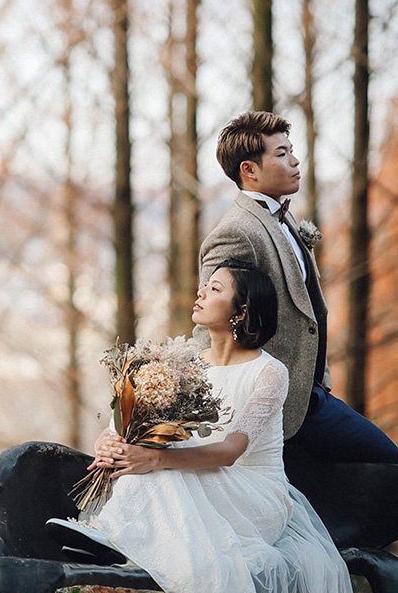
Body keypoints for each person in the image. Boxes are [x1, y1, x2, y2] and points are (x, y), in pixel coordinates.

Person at [48, 260, 352, 593]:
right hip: (196, 478)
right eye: (205, 286)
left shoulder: (270, 372)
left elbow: (230, 451)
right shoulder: (187, 363)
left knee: (161, 454)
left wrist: (154, 459)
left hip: (253, 495)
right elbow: (129, 423)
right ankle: (112, 536)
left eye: (215, 289)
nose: (201, 292)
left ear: (241, 310)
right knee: (152, 445)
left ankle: (115, 536)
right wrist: (109, 442)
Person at [198, 110, 398, 463]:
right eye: (281, 154)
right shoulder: (237, 232)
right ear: (249, 170)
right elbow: (211, 317)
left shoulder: (283, 217)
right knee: (387, 460)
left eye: (291, 150)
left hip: (312, 394)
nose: (294, 160)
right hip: (279, 406)